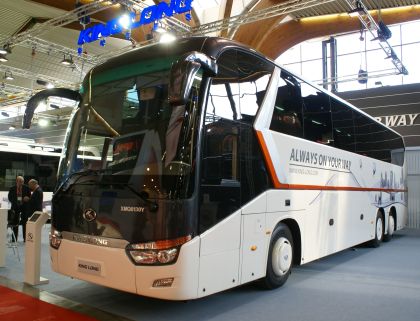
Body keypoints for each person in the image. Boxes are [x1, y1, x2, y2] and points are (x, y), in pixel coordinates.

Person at [8, 176, 31, 241]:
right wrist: (16, 201)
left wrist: (27, 199)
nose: (21, 183)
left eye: (22, 181)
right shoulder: (12, 188)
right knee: (15, 223)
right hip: (15, 208)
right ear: (17, 181)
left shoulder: (26, 188)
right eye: (20, 181)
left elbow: (29, 197)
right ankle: (14, 239)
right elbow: (10, 198)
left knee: (25, 223)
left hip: (24, 208)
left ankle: (25, 238)